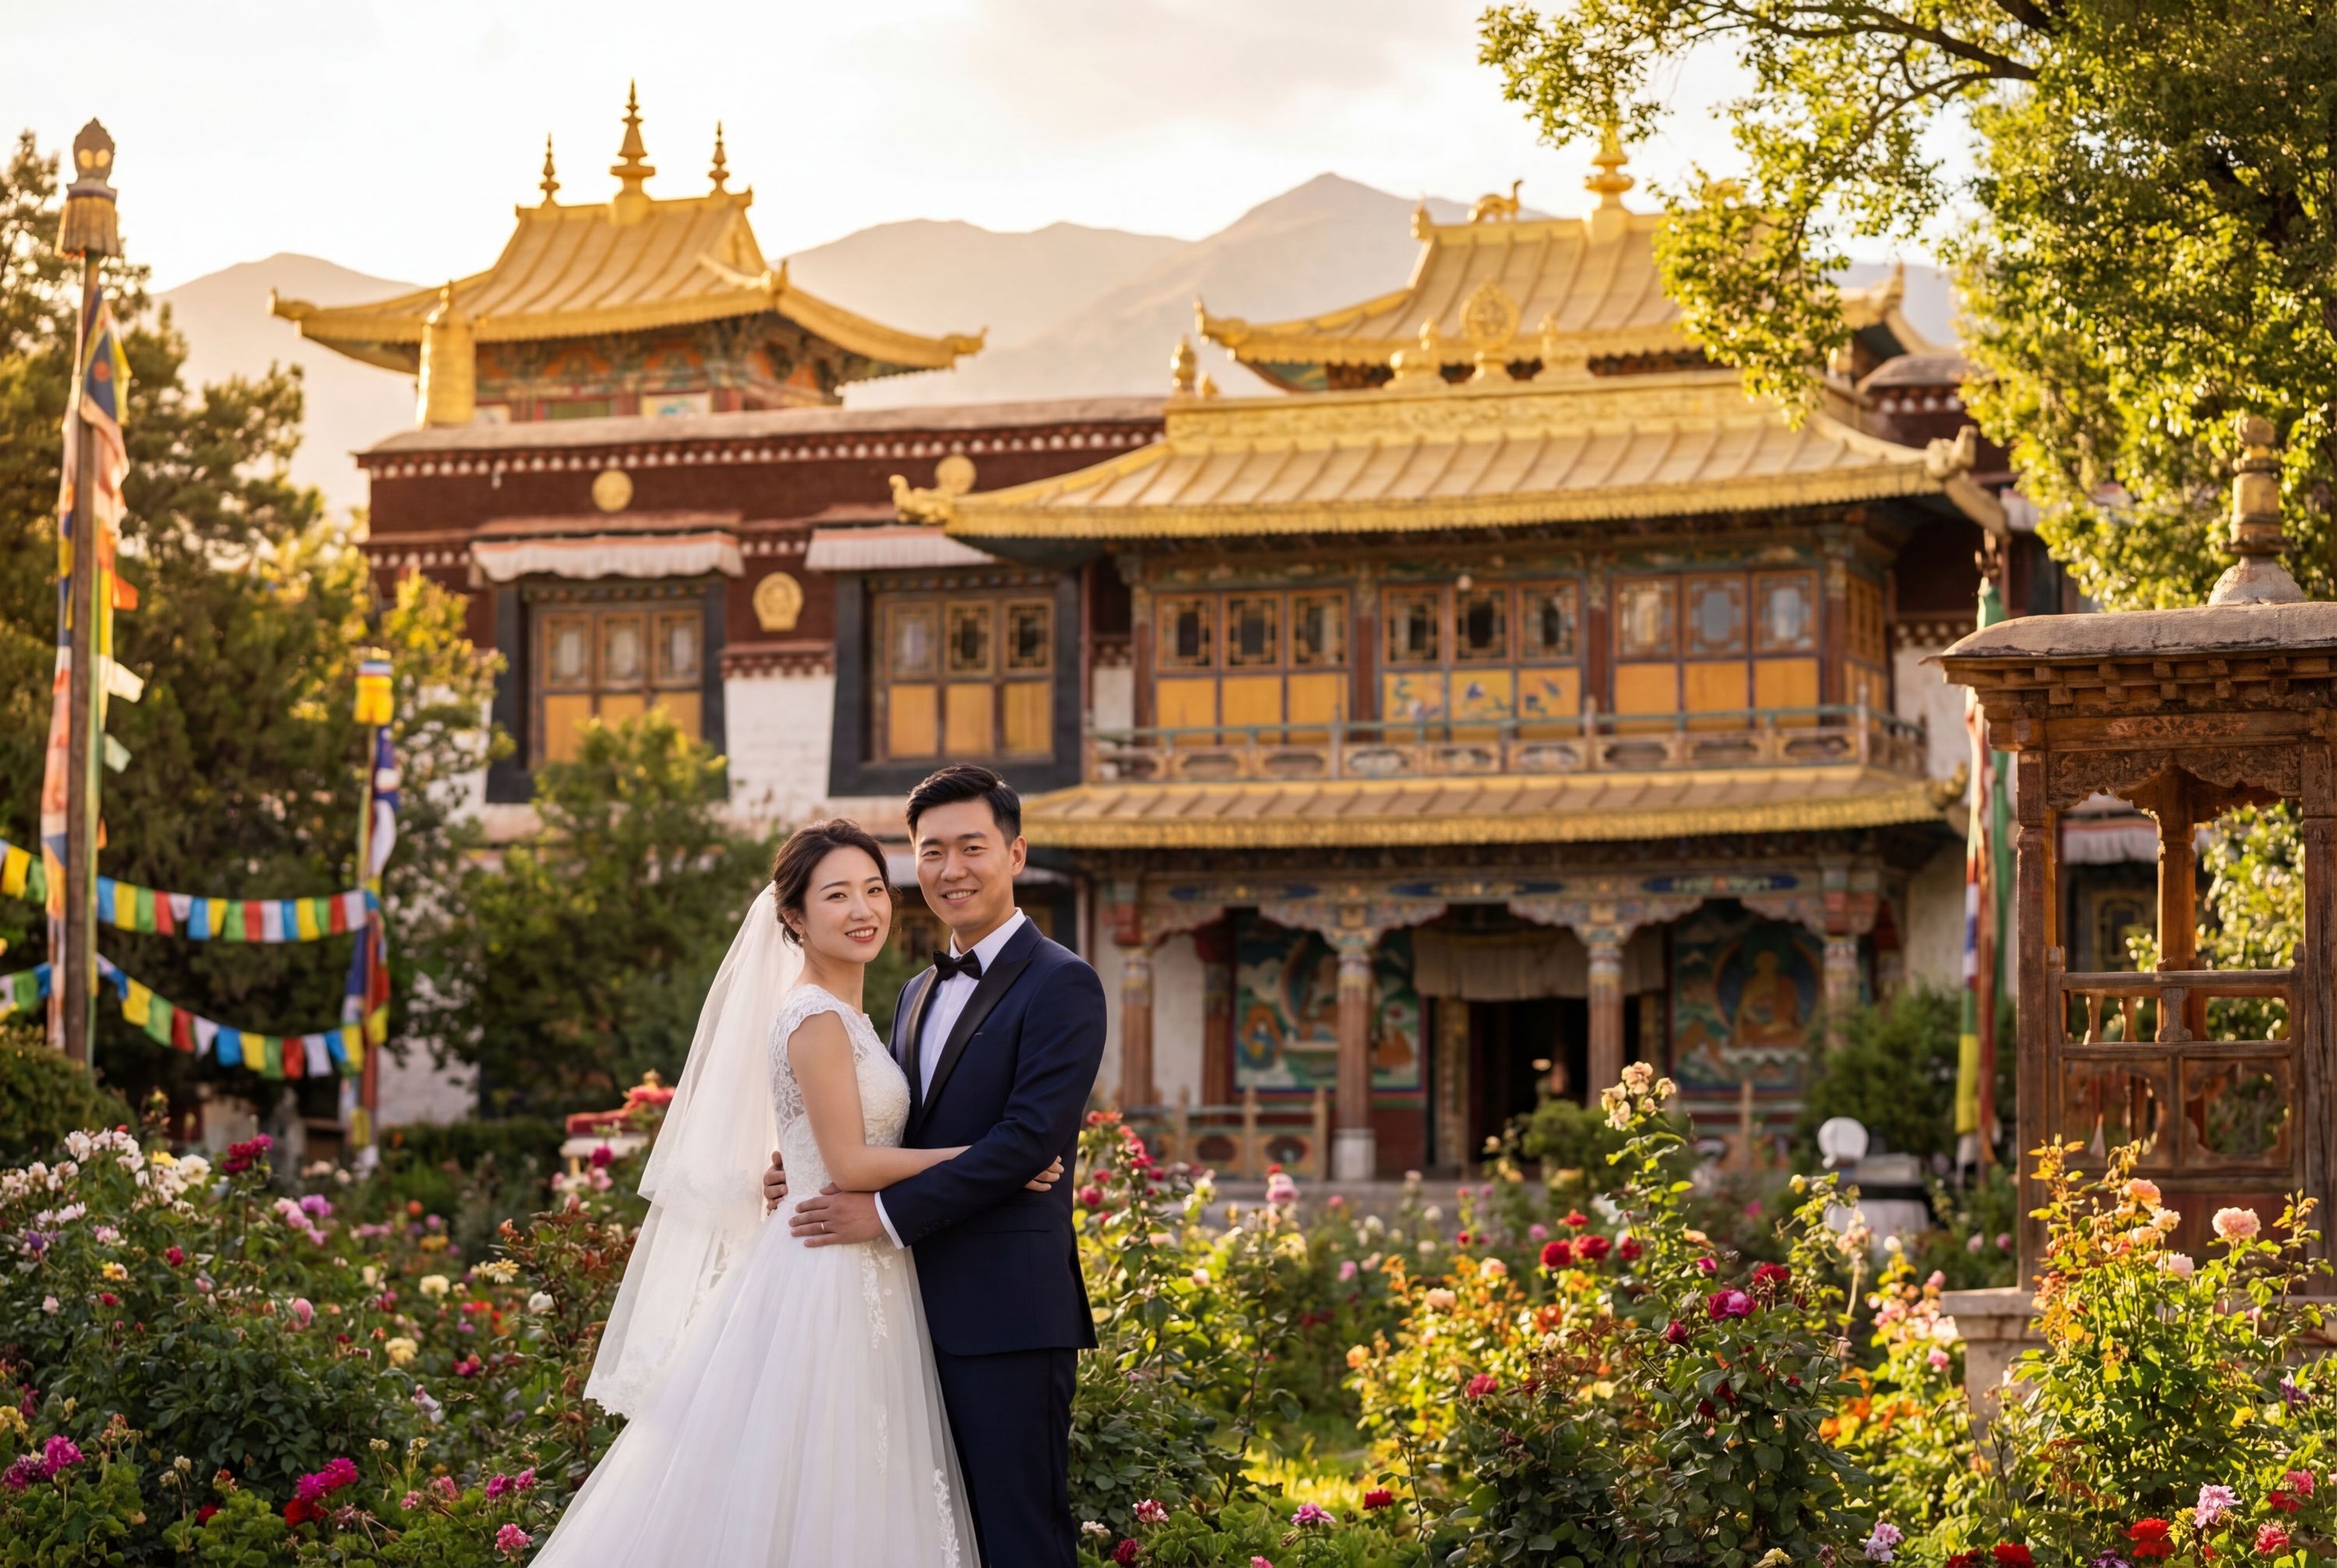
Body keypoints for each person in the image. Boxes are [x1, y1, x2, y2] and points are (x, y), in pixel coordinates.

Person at [534, 816, 1066, 1565]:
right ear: (793, 915)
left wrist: (803, 1165)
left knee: (861, 1474)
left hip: (872, 1261)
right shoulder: (815, 1014)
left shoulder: (877, 1006)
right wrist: (994, 1154)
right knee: (829, 1476)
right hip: (827, 1273)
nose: (864, 910)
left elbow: (841, 1144)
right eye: (837, 895)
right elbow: (850, 1162)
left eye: (875, 890)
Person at [769, 765, 1108, 1568]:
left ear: (1015, 853)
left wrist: (879, 1214)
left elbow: (1030, 1141)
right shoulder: (914, 990)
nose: (951, 871)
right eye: (931, 853)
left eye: (972, 848)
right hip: (897, 1309)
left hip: (1005, 1314)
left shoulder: (1065, 984)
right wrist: (803, 1168)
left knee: (1018, 1536)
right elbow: (889, 1125)